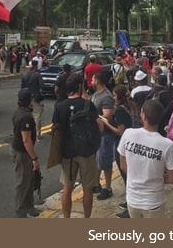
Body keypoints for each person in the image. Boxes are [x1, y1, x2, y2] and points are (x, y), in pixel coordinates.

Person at [117, 99, 173, 218]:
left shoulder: (128, 134)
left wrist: (137, 175)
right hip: (154, 202)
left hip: (132, 199)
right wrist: (154, 178)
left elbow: (123, 166)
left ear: (143, 116)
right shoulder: (167, 145)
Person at [52, 73, 100, 218]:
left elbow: (56, 130)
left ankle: (67, 218)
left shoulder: (60, 106)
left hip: (68, 153)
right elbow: (99, 127)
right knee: (88, 189)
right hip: (86, 152)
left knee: (67, 188)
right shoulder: (88, 104)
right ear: (80, 87)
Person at [99, 84, 133, 217]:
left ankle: (130, 207)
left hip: (123, 144)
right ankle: (129, 202)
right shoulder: (130, 105)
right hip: (131, 143)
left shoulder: (119, 110)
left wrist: (106, 123)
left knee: (126, 175)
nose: (112, 97)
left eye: (114, 94)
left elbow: (120, 131)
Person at [11, 88, 41, 218]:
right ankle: (20, 211)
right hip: (22, 152)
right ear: (30, 101)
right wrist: (34, 158)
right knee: (23, 181)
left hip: (20, 150)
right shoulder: (26, 117)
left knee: (30, 179)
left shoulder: (19, 112)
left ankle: (30, 206)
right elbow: (26, 140)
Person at [91, 71, 115, 200]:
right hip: (96, 133)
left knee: (105, 161)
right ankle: (96, 184)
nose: (91, 80)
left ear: (98, 81)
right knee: (97, 160)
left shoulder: (106, 97)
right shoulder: (96, 94)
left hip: (105, 134)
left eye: (93, 78)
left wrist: (94, 118)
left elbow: (108, 116)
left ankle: (108, 187)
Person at [21, 60, 44, 140]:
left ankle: (28, 132)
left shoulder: (25, 75)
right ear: (36, 66)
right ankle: (38, 134)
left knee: (28, 115)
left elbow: (22, 87)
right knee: (37, 115)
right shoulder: (37, 75)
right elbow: (42, 86)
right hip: (35, 97)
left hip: (26, 98)